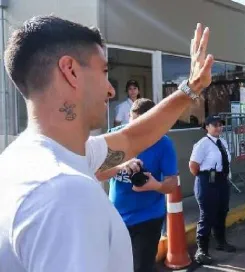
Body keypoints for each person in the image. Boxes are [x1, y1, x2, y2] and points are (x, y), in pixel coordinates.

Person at [0, 15, 213, 272]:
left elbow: (132, 138)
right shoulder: (64, 193)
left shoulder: (24, 159)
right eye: (103, 71)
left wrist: (190, 88)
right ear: (70, 71)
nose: (111, 90)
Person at [96, 98, 178, 272]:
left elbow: (172, 183)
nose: (139, 130)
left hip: (148, 218)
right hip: (116, 218)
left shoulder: (163, 143)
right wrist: (121, 166)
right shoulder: (115, 136)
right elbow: (98, 174)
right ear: (129, 117)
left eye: (145, 124)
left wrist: (156, 185)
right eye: (135, 123)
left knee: (141, 268)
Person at [189, 115, 236, 265]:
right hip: (207, 181)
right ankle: (202, 250)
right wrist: (206, 177)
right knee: (208, 214)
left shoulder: (222, 142)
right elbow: (193, 166)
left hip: (222, 181)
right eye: (214, 125)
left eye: (220, 125)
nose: (218, 127)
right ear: (207, 127)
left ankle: (221, 242)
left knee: (222, 211)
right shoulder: (203, 143)